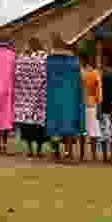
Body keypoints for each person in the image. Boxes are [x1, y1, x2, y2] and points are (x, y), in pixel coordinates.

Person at [45, 33, 85, 161]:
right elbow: (80, 82)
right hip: (70, 98)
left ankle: (55, 151)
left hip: (53, 97)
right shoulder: (74, 62)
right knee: (68, 125)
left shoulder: (49, 61)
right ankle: (68, 152)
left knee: (54, 125)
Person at [15, 37, 49, 158]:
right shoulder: (44, 57)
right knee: (39, 127)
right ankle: (39, 150)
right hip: (40, 98)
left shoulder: (22, 58)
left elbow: (17, 74)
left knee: (27, 125)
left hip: (25, 99)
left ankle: (30, 150)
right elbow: (47, 74)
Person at [81, 55, 102, 161]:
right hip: (92, 104)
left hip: (80, 103)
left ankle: (82, 154)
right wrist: (99, 103)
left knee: (82, 131)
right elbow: (99, 91)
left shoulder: (79, 73)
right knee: (93, 132)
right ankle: (93, 155)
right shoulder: (95, 73)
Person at [100, 64, 112, 162]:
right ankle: (111, 155)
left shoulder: (102, 81)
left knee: (104, 135)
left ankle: (106, 156)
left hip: (105, 110)